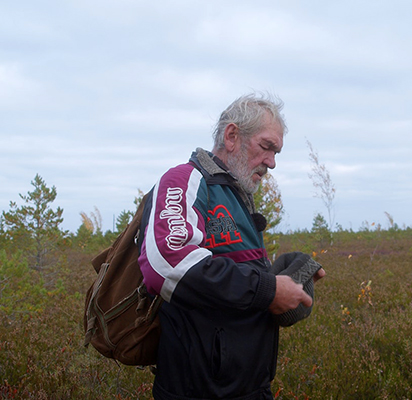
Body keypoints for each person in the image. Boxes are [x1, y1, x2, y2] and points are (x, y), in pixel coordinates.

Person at [137, 93, 326, 399]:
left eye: (276, 153)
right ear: (232, 135)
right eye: (266, 147)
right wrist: (269, 290)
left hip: (250, 389)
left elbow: (236, 278)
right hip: (197, 392)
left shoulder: (238, 196)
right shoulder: (184, 180)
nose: (272, 163)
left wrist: (283, 276)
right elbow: (167, 265)